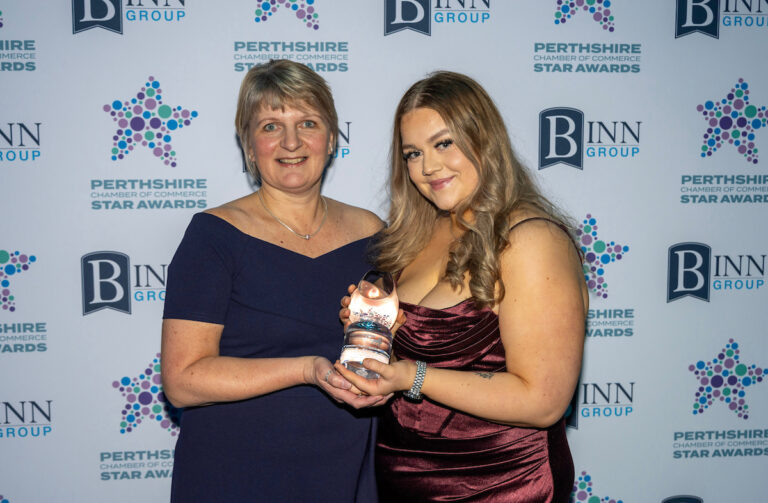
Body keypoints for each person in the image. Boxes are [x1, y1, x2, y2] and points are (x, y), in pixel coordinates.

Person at [335, 71, 588, 502]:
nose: (428, 167)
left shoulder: (531, 240)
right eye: (413, 153)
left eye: (444, 143)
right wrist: (375, 331)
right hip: (404, 474)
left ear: (483, 139)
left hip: (502, 482)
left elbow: (543, 401)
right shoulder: (415, 237)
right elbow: (427, 353)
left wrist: (408, 376)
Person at [161, 59, 388, 502]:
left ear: (332, 138)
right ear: (248, 145)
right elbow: (183, 380)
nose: (291, 142)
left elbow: (388, 343)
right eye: (270, 126)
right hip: (235, 472)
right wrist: (306, 369)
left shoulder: (373, 233)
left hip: (345, 467)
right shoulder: (213, 236)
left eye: (307, 122)